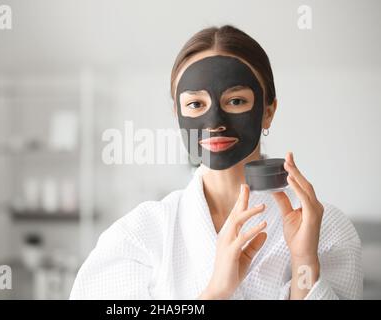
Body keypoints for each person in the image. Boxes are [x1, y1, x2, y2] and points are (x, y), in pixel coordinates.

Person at [69, 25, 362, 300]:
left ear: (268, 111)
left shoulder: (326, 229)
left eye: (236, 101)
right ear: (177, 114)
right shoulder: (139, 235)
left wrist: (303, 262)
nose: (214, 123)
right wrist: (216, 291)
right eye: (196, 104)